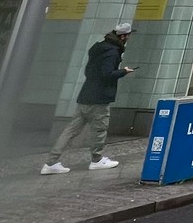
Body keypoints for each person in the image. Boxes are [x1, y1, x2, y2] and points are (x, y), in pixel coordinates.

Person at [41, 24, 135, 173]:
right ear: (122, 36)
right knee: (100, 130)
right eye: (128, 35)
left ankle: (51, 162)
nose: (129, 37)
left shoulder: (98, 48)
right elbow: (107, 74)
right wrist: (123, 71)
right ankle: (97, 160)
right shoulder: (112, 52)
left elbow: (89, 71)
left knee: (70, 130)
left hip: (85, 95)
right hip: (99, 98)